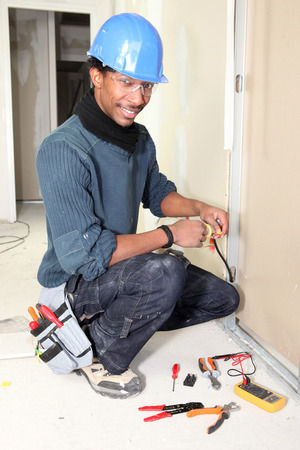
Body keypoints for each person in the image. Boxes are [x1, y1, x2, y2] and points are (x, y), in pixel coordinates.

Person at [36, 13, 239, 399]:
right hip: (74, 283)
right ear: (97, 75)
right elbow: (86, 256)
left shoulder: (139, 139)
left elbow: (157, 193)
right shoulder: (63, 149)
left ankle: (117, 318)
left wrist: (199, 207)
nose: (138, 98)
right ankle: (101, 355)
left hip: (119, 263)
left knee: (223, 298)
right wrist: (169, 235)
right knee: (163, 272)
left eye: (146, 86)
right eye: (126, 82)